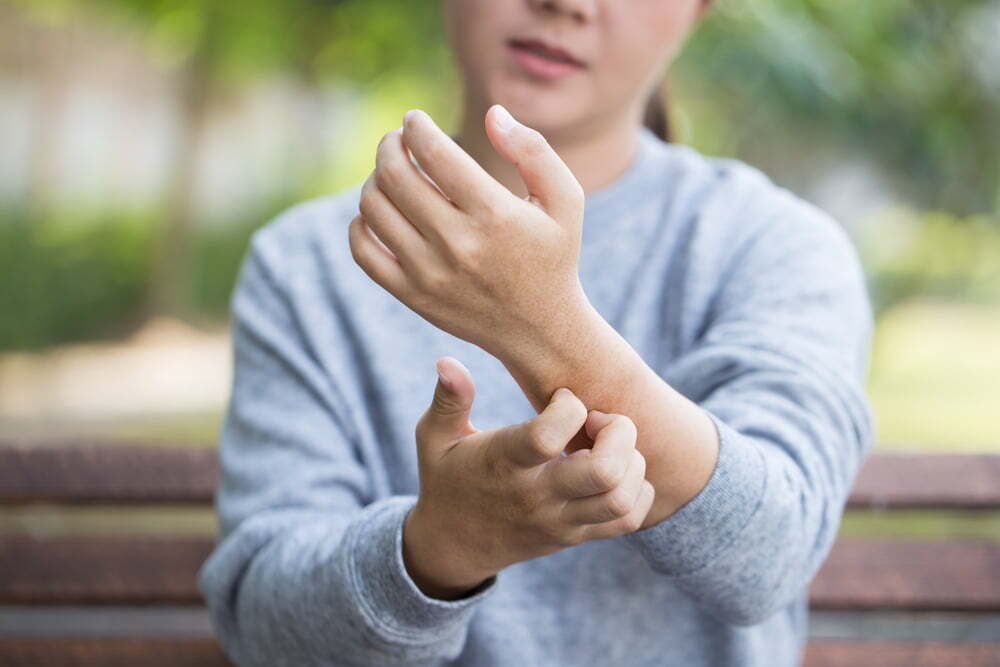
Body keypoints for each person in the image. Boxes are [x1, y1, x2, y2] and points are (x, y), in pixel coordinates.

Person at [198, 0, 876, 665]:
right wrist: (442, 547)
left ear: (699, 11)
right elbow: (263, 628)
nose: (567, 4)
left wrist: (546, 327)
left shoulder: (773, 246)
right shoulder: (305, 265)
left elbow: (772, 550)